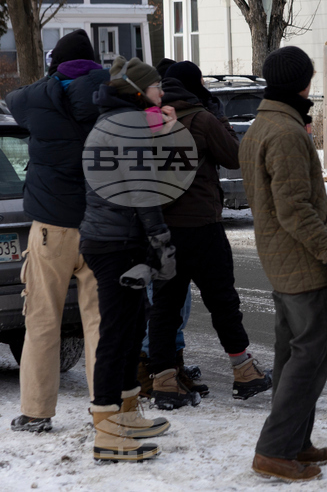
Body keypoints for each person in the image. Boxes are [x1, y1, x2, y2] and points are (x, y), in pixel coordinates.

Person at [240, 46, 327, 482]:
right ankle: (273, 450)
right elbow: (293, 208)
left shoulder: (266, 124)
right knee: (310, 357)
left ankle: (293, 442)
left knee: (292, 355)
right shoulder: (285, 133)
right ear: (304, 83)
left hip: (281, 258)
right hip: (301, 261)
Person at [145, 61, 271, 409]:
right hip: (201, 227)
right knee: (222, 302)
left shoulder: (148, 119)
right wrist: (222, 122)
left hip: (163, 229)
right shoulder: (201, 118)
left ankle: (165, 380)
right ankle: (244, 371)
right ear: (193, 87)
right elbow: (234, 157)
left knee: (164, 308)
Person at [6, 30, 107, 433]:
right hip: (103, 225)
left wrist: (52, 79)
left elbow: (14, 98)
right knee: (101, 322)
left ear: (55, 65)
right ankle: (107, 409)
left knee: (42, 319)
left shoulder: (37, 102)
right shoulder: (112, 96)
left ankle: (36, 410)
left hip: (51, 228)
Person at [80, 56, 175, 462]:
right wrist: (162, 242)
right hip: (114, 242)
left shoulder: (122, 122)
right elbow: (143, 191)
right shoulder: (126, 127)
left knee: (134, 325)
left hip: (120, 240)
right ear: (139, 91)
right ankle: (106, 432)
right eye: (156, 87)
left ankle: (126, 413)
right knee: (117, 334)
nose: (162, 93)